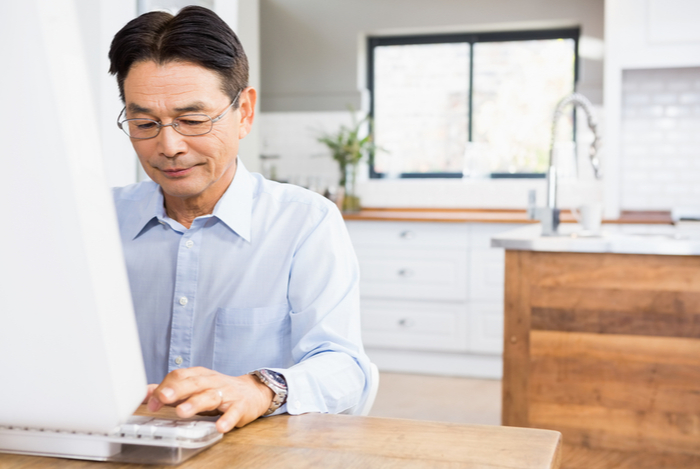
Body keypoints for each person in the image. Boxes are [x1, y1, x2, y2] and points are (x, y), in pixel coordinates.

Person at [108, 6, 370, 433]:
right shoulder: (100, 222)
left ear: (244, 111)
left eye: (192, 120)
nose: (169, 145)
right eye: (144, 123)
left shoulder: (304, 221)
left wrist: (261, 389)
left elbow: (347, 369)